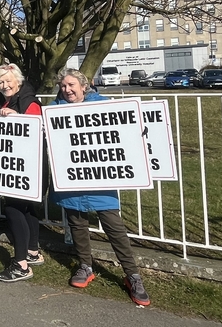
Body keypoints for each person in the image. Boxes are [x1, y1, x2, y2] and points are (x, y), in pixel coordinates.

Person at [50, 68, 151, 306]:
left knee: (113, 226)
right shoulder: (55, 109)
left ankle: (132, 275)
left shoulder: (103, 106)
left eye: (72, 85)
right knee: (76, 224)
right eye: (63, 86)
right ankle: (85, 266)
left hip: (100, 180)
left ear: (84, 86)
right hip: (71, 179)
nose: (67, 90)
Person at [0, 64, 44, 283]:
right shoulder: (5, 100)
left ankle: (21, 265)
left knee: (12, 208)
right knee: (27, 208)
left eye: (9, 81)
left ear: (18, 80)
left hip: (27, 168)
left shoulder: (28, 102)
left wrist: (16, 116)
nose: (5, 85)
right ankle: (32, 251)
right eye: (1, 82)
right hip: (14, 165)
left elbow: (36, 128)